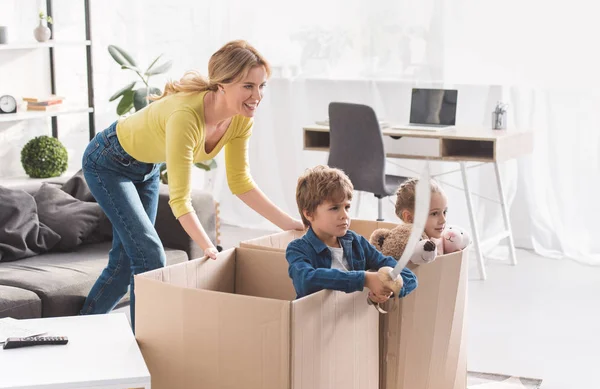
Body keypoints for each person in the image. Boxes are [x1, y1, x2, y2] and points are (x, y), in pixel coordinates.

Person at [80, 40, 303, 330]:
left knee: (125, 263)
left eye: (262, 87)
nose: (257, 96)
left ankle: (80, 328)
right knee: (148, 257)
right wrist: (208, 247)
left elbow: (240, 182)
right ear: (222, 84)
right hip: (107, 162)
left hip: (146, 169)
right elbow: (180, 200)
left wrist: (291, 224)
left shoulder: (240, 119)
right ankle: (145, 348)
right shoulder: (186, 117)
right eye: (248, 86)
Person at [286, 165, 418, 302]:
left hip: (355, 319)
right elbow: (306, 281)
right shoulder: (297, 249)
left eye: (347, 207)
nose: (345, 215)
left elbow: (408, 276)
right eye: (334, 208)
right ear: (309, 214)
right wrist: (365, 279)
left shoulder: (356, 242)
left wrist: (388, 290)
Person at [395, 178, 448, 254]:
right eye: (434, 213)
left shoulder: (445, 240)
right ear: (409, 218)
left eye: (444, 212)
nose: (443, 220)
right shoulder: (403, 250)